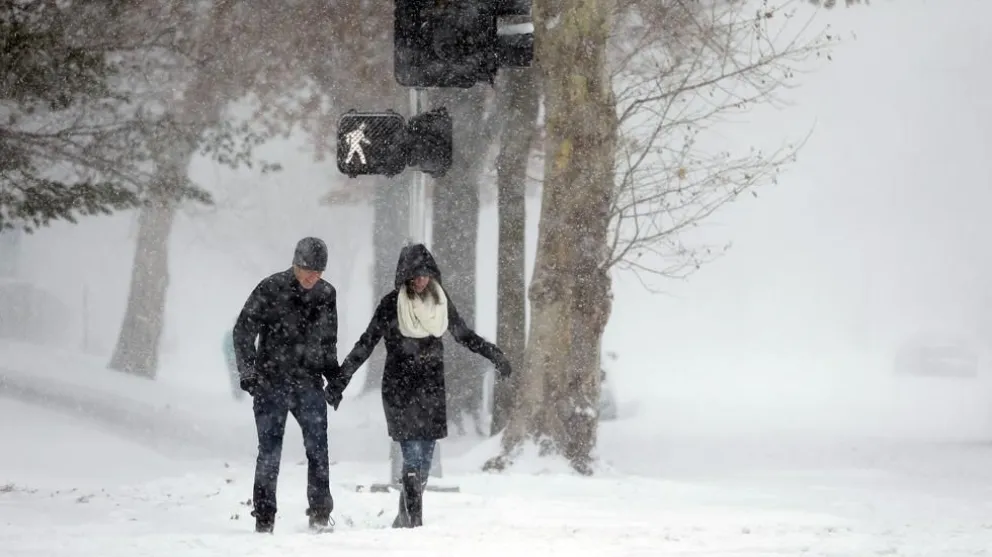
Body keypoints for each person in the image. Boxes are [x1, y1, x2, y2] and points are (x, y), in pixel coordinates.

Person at [326, 243, 512, 528]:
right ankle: (415, 523)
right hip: (400, 387)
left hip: (432, 387)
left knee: (425, 456)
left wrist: (494, 354)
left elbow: (463, 335)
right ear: (405, 277)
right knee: (411, 454)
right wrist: (341, 379)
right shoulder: (391, 305)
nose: (422, 280)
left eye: (426, 275)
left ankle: (404, 516)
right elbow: (366, 343)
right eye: (416, 276)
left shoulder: (440, 302)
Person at [233, 237, 340, 534]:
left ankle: (320, 513)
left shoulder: (327, 294)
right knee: (269, 451)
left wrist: (334, 379)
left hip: (309, 382)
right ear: (295, 263)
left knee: (318, 448)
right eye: (307, 269)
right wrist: (248, 371)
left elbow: (329, 340)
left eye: (318, 272)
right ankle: (264, 517)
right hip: (271, 382)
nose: (312, 277)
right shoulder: (270, 288)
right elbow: (244, 329)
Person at [222, 328, 245, 401]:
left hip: (238, 360)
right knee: (236, 376)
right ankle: (237, 393)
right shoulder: (232, 335)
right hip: (235, 360)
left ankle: (239, 393)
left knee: (237, 376)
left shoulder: (242, 335)